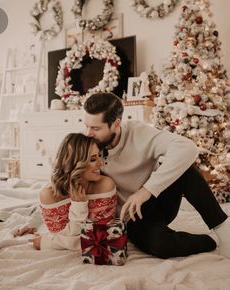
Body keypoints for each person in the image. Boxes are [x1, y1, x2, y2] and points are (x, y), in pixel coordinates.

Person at [83, 92, 230, 259]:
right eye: (86, 125)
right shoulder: (87, 142)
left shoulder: (138, 133)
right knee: (162, 246)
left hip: (153, 198)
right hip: (132, 216)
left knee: (185, 169)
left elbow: (187, 147)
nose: (88, 133)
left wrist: (146, 190)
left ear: (116, 124)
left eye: (95, 128)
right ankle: (211, 241)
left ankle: (222, 228)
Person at [26, 133, 117, 251]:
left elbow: (101, 240)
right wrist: (79, 206)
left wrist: (47, 243)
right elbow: (61, 237)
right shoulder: (49, 195)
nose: (101, 163)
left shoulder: (105, 185)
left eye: (99, 156)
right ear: (74, 162)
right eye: (93, 159)